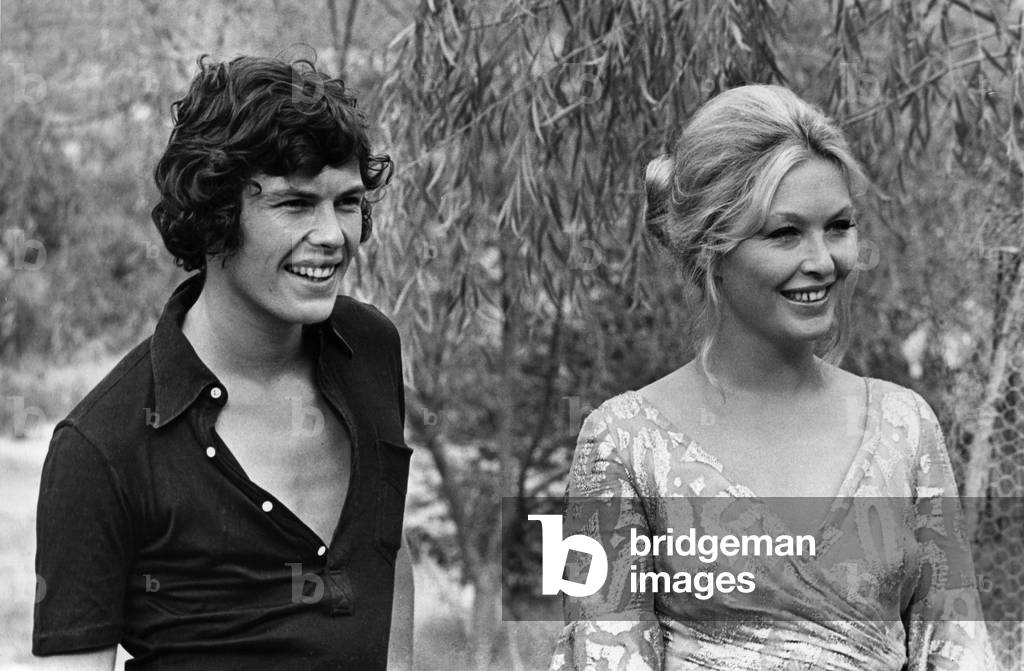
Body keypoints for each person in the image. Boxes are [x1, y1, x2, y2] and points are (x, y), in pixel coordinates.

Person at [550, 84, 993, 670]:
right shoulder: (623, 445)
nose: (822, 260)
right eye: (785, 233)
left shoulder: (906, 429)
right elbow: (604, 655)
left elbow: (959, 650)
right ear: (712, 247)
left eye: (838, 227)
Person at [32, 55, 413, 671]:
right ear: (213, 217)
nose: (333, 235)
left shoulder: (370, 347)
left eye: (346, 202)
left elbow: (386, 547)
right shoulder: (102, 446)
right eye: (294, 204)